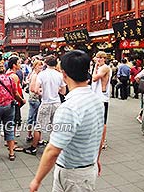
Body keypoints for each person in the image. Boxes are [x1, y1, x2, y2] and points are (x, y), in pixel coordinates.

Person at [29, 50, 105, 192]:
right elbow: (99, 134)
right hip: (88, 168)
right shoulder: (97, 100)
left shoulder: (69, 108)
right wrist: (96, 158)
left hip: (72, 174)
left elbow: (53, 150)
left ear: (64, 74)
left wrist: (37, 180)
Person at [24, 55, 66, 155]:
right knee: (55, 126)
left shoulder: (42, 74)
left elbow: (34, 89)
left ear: (46, 63)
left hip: (46, 103)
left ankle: (33, 148)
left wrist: (42, 92)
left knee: (39, 127)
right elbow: (63, 91)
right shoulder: (60, 75)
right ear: (56, 64)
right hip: (56, 103)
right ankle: (55, 147)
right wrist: (56, 90)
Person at [0, 61, 23, 162]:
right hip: (9, 107)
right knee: (9, 129)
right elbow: (15, 93)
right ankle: (11, 153)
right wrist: (22, 100)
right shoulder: (10, 79)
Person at [91, 51, 111, 150]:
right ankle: (98, 140)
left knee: (103, 122)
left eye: (101, 58)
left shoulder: (105, 68)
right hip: (97, 97)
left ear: (104, 59)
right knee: (96, 120)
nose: (99, 59)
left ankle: (102, 142)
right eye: (97, 57)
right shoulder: (99, 68)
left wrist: (95, 67)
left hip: (102, 98)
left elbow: (94, 78)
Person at [26, 60, 43, 142]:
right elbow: (32, 88)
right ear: (36, 66)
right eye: (40, 66)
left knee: (32, 117)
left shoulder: (33, 74)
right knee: (34, 118)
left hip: (33, 98)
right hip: (34, 98)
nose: (41, 67)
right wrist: (41, 90)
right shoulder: (35, 75)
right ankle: (31, 136)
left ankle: (30, 135)